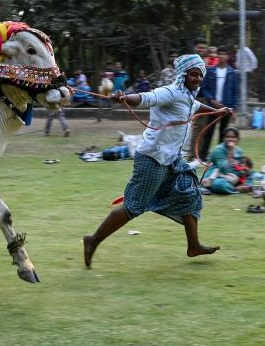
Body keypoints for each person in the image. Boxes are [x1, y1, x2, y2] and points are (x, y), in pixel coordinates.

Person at [82, 54, 224, 269]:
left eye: (200, 75)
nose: (197, 79)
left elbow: (195, 106)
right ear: (183, 75)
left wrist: (217, 112)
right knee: (133, 207)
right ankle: (93, 240)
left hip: (172, 160)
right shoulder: (170, 92)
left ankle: (193, 246)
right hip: (153, 158)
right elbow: (146, 98)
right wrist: (125, 98)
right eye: (194, 74)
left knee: (189, 194)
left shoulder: (186, 96)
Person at [200, 46, 239, 157]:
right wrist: (211, 100)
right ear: (217, 55)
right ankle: (203, 156)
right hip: (213, 107)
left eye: (224, 54)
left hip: (226, 107)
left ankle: (221, 155)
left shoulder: (232, 73)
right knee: (209, 131)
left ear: (228, 56)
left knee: (224, 133)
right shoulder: (211, 71)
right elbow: (204, 88)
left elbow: (235, 92)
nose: (222, 56)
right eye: (220, 54)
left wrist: (234, 109)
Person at [202, 127, 250, 194]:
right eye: (227, 137)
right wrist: (230, 156)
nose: (230, 139)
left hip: (233, 176)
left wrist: (244, 171)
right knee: (219, 185)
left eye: (233, 137)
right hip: (217, 176)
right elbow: (223, 169)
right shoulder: (218, 150)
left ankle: (245, 186)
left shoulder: (239, 150)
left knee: (256, 176)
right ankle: (236, 189)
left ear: (238, 139)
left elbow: (241, 167)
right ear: (223, 138)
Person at [185, 38, 209, 161]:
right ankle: (191, 156)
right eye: (200, 47)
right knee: (190, 127)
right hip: (188, 97)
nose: (202, 50)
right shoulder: (189, 62)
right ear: (195, 48)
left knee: (200, 128)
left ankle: (195, 155)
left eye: (204, 48)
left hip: (202, 98)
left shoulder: (205, 63)